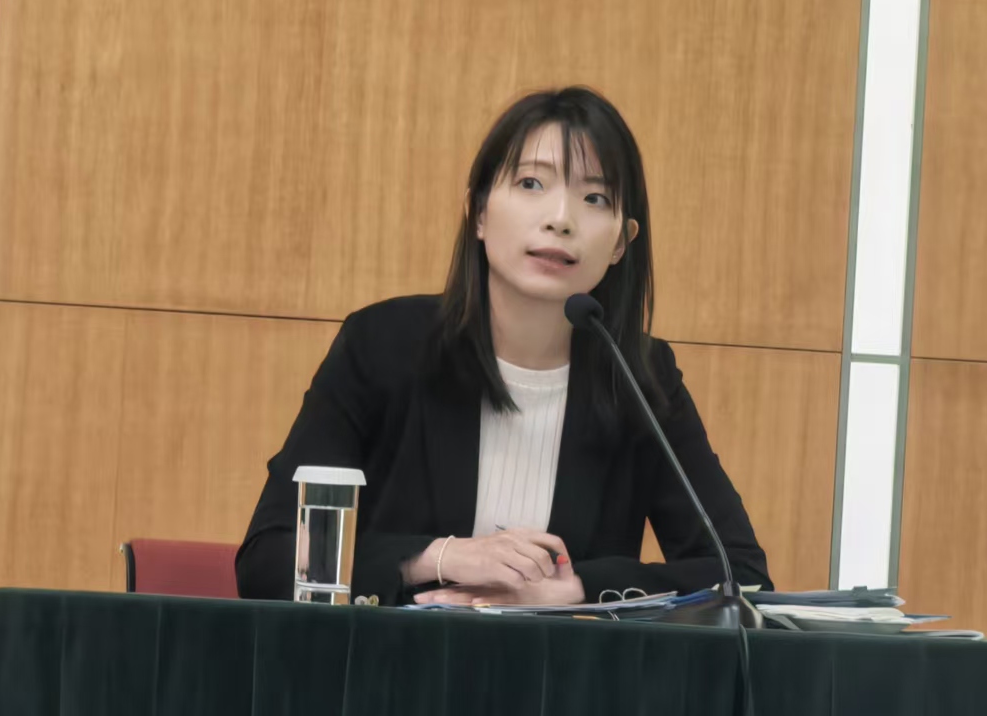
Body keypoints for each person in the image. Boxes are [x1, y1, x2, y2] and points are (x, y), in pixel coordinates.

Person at [236, 86, 772, 606]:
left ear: (620, 243)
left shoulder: (637, 376)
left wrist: (578, 588)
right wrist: (439, 557)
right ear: (479, 213)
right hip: (395, 663)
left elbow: (740, 575)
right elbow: (269, 559)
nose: (560, 219)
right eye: (531, 183)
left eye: (595, 198)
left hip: (561, 668)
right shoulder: (383, 346)